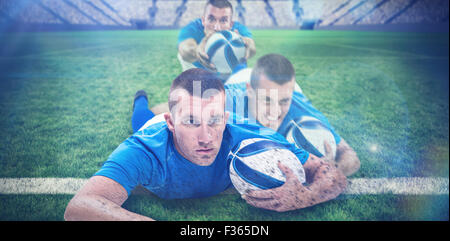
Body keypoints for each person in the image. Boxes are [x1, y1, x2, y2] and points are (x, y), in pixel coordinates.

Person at [64, 69, 347, 220]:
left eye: (214, 121)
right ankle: (140, 99)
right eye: (190, 122)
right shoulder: (146, 148)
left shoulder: (250, 137)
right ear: (171, 123)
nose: (206, 137)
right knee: (140, 118)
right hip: (151, 126)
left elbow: (332, 173)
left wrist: (305, 196)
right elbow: (80, 206)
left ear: (225, 118)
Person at [225, 53, 361, 177]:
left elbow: (350, 156)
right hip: (240, 77)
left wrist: (329, 171)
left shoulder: (299, 108)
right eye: (267, 100)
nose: (275, 111)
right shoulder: (229, 100)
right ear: (249, 91)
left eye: (284, 101)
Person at [177, 0, 256, 72]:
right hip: (200, 77)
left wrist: (246, 45)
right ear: (203, 21)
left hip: (230, 77)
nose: (217, 27)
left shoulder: (239, 29)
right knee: (181, 56)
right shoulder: (193, 28)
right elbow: (185, 48)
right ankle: (195, 85)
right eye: (211, 19)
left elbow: (250, 44)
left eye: (223, 20)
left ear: (231, 24)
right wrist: (196, 51)